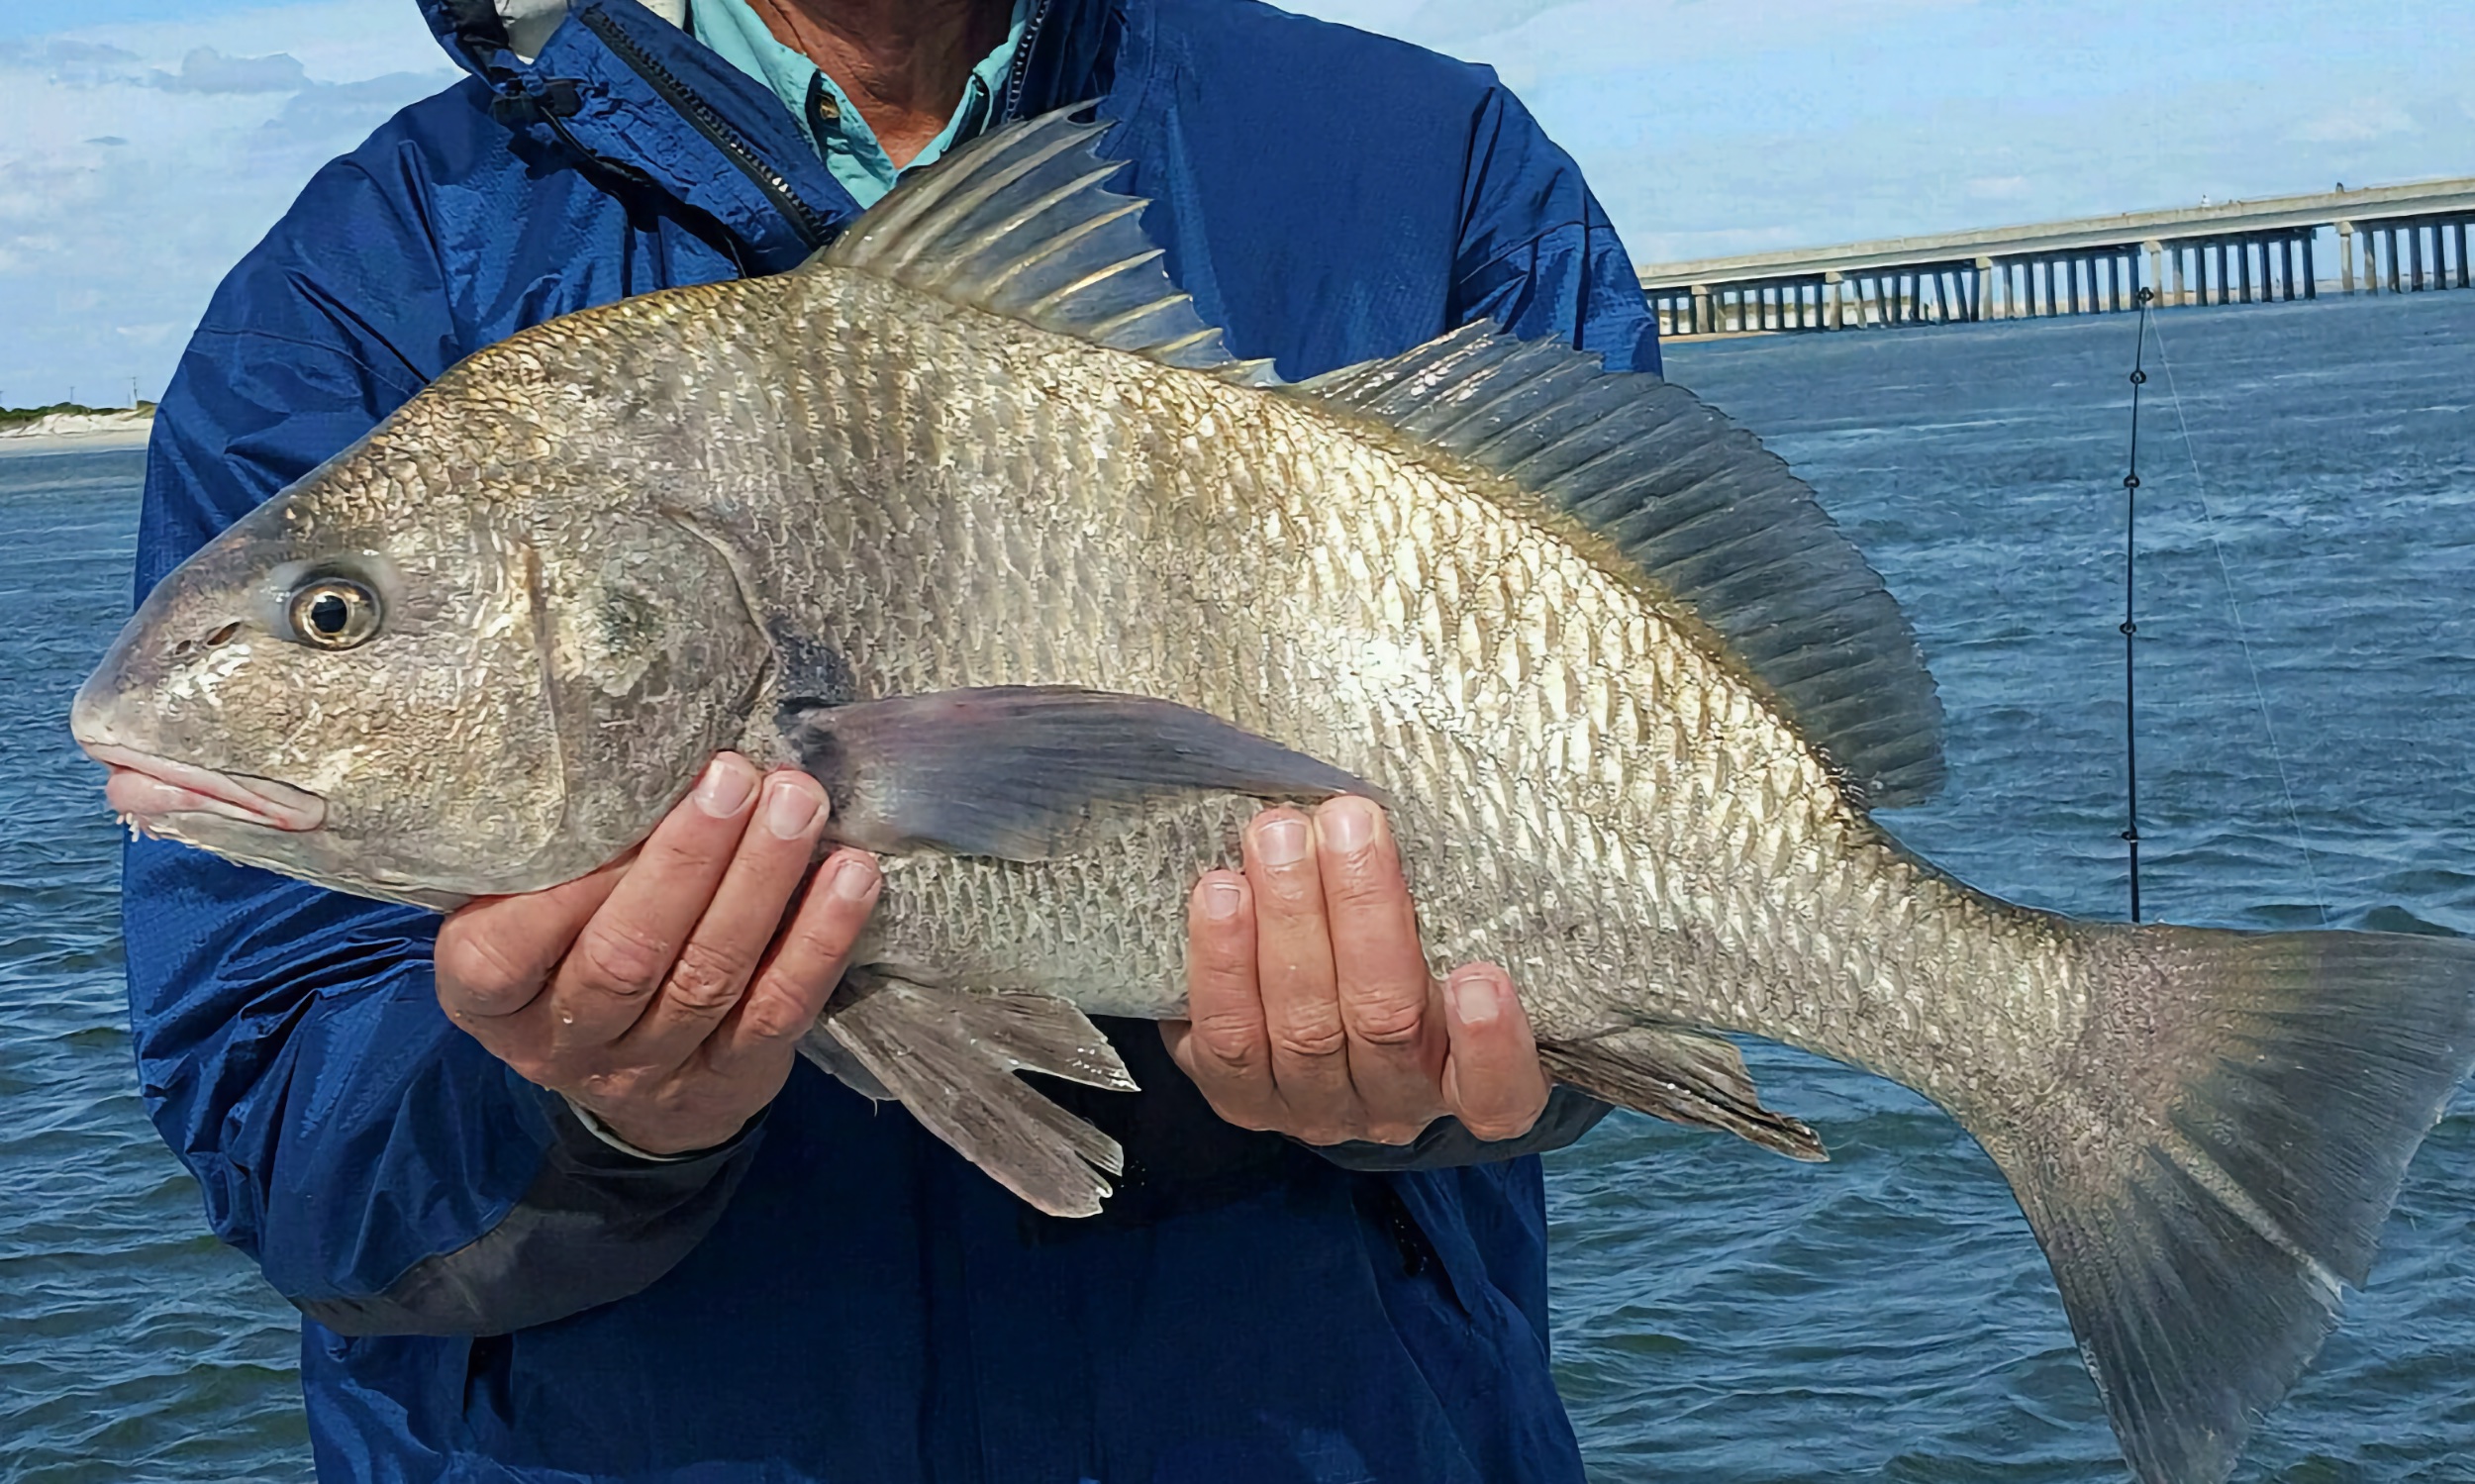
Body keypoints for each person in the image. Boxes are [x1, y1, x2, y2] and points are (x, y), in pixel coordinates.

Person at [125, 0, 1661, 1477]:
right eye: (340, 616)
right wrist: (581, 1113)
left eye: (333, 617)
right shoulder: (362, 281)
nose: (318, 641)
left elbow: (1643, 816)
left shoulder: (1433, 164)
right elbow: (280, 1119)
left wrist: (1431, 1088)